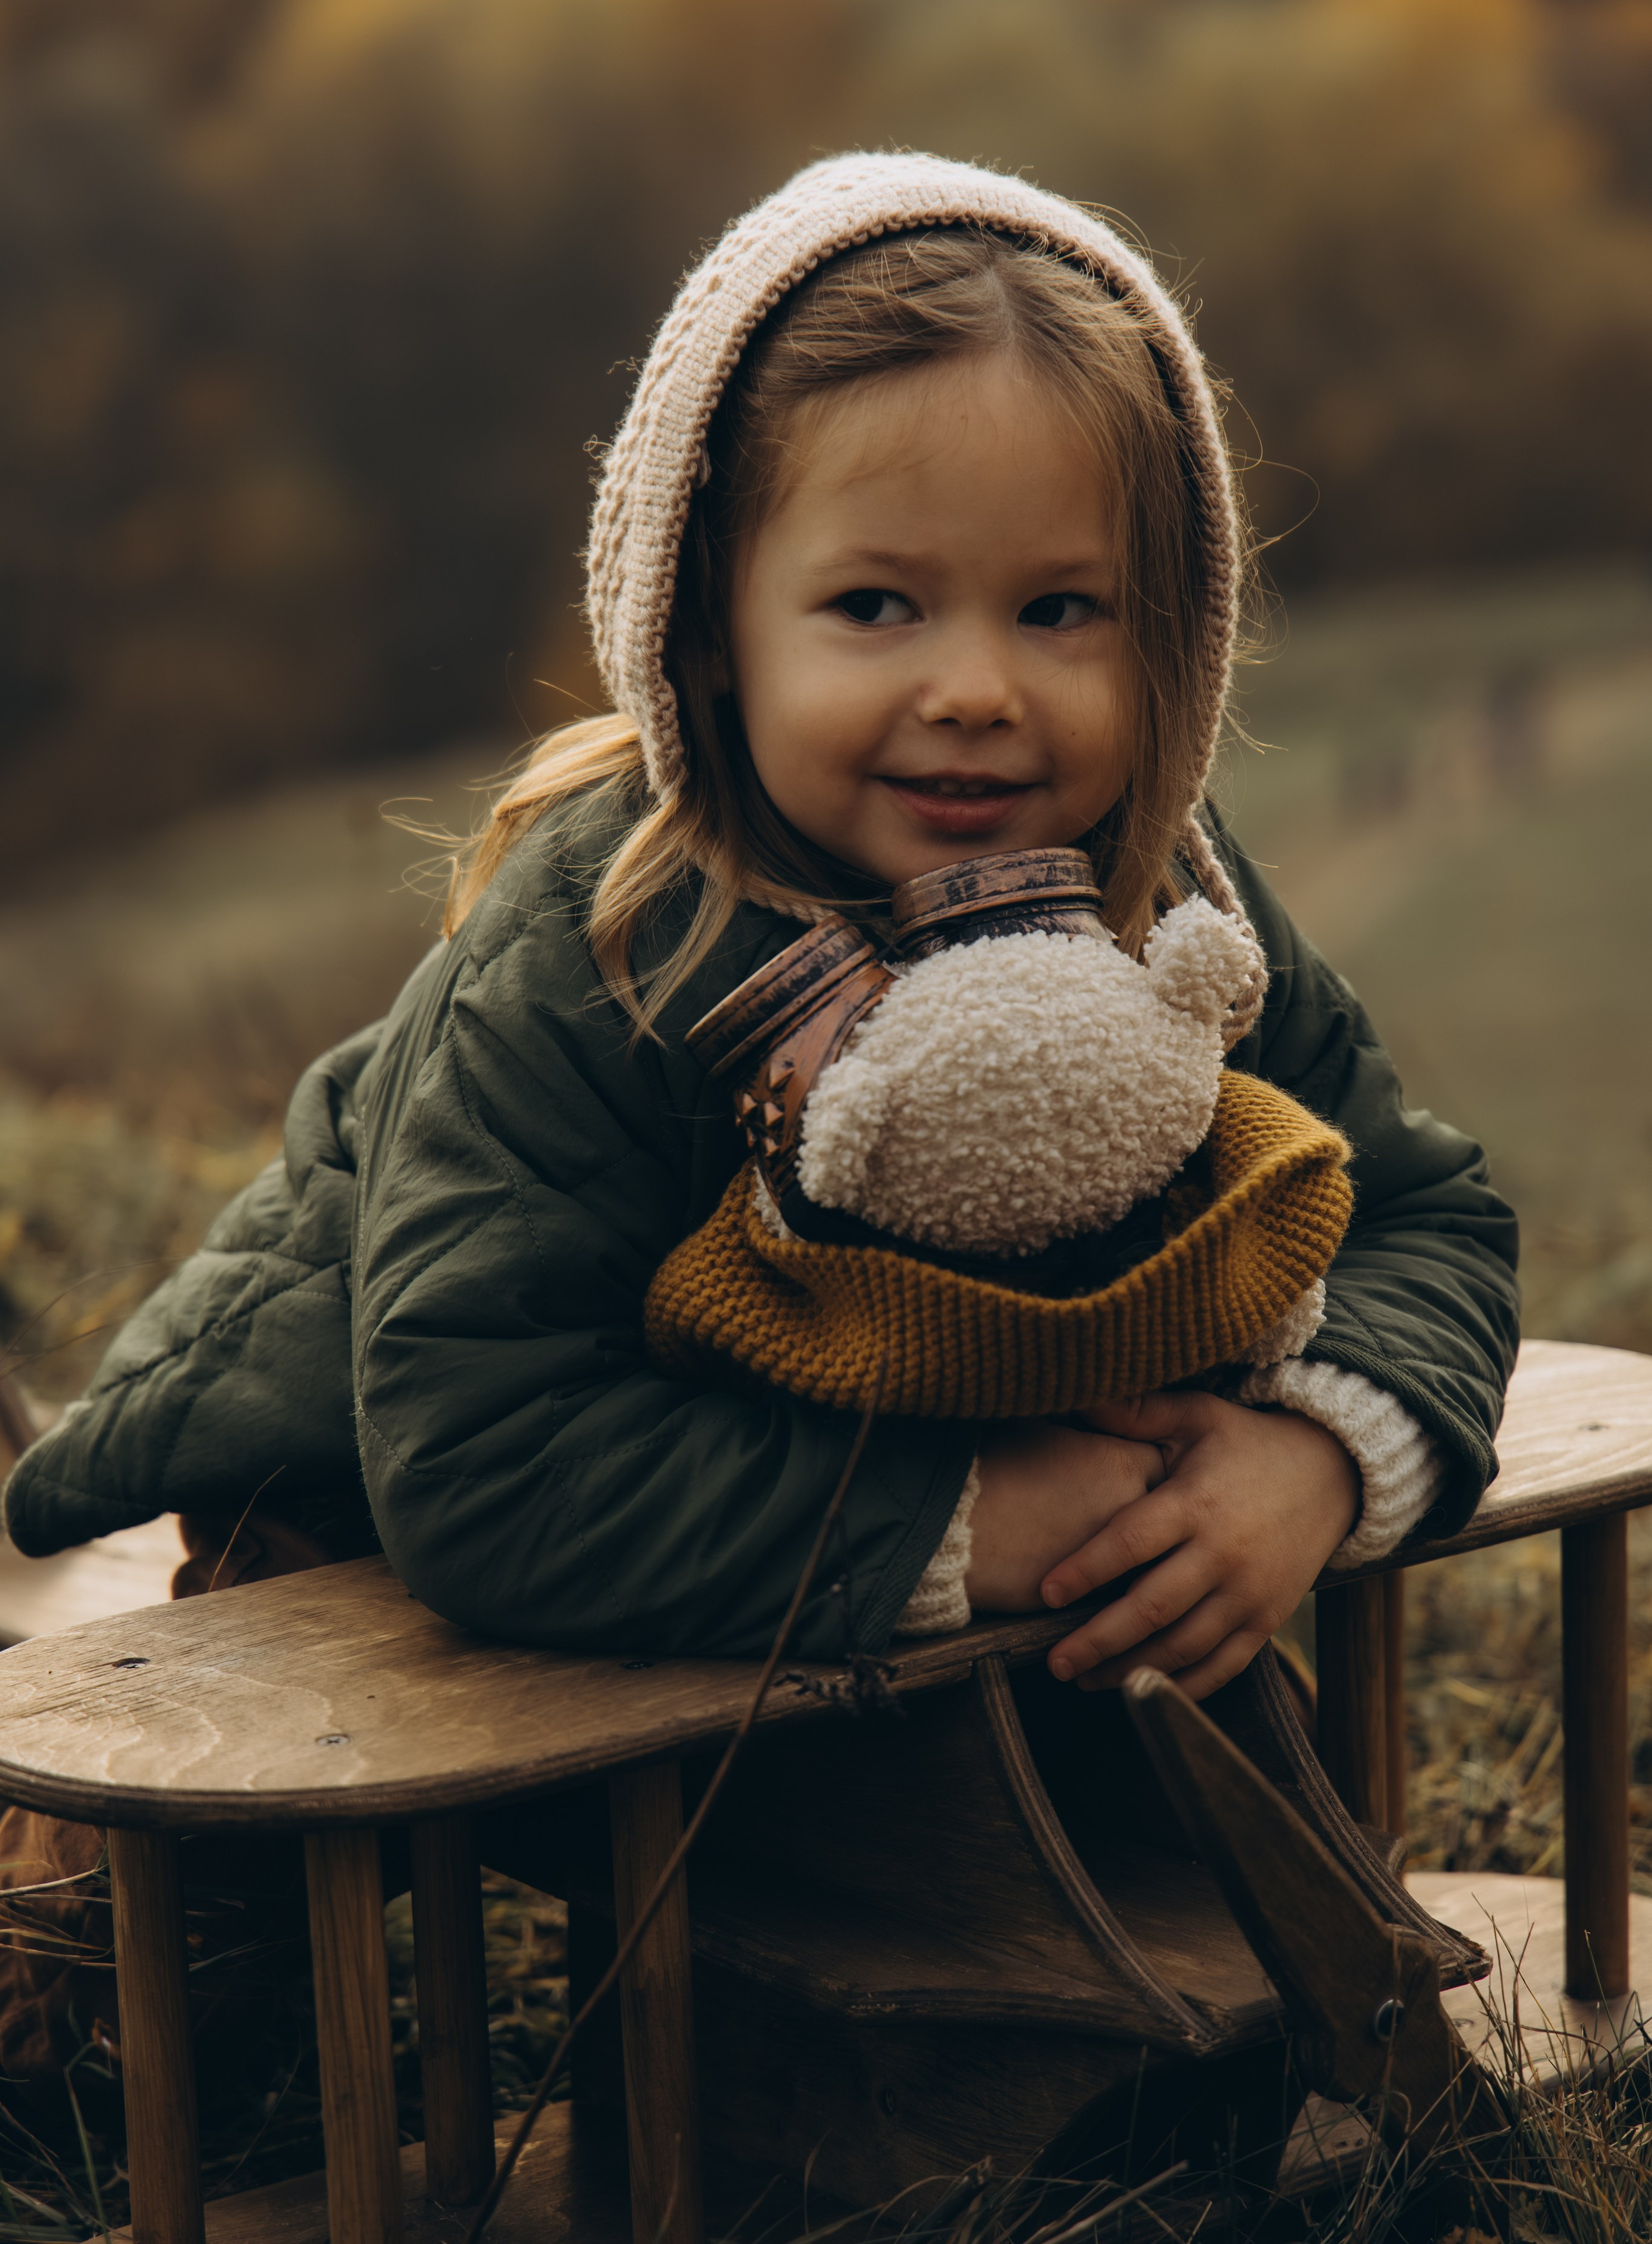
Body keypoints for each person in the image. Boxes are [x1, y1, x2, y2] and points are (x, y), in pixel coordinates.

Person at [0, 152, 1519, 2085]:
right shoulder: (604, 945)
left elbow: (1428, 1215)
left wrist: (1318, 1457)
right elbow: (479, 1452)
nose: (978, 691)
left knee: (1029, 1896)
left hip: (836, 1449)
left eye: (1065, 610)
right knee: (182, 2029)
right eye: (876, 604)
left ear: (1176, 638)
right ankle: (68, 1935)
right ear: (713, 621)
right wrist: (957, 1520)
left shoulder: (1170, 901)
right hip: (385, 1490)